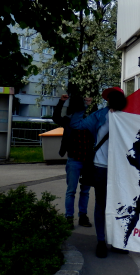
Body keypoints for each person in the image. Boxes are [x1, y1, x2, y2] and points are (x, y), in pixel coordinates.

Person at [70, 87, 128, 258]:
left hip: (120, 169)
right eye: (111, 97)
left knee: (119, 205)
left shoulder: (129, 116)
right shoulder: (100, 115)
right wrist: (82, 107)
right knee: (102, 204)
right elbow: (76, 125)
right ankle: (102, 241)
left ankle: (115, 241)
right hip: (102, 168)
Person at [53, 93, 94, 229]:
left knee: (84, 191)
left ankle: (82, 216)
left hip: (87, 161)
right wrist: (61, 102)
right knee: (72, 191)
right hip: (74, 159)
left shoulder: (89, 120)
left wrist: (91, 105)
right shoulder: (69, 120)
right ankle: (69, 217)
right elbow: (56, 118)